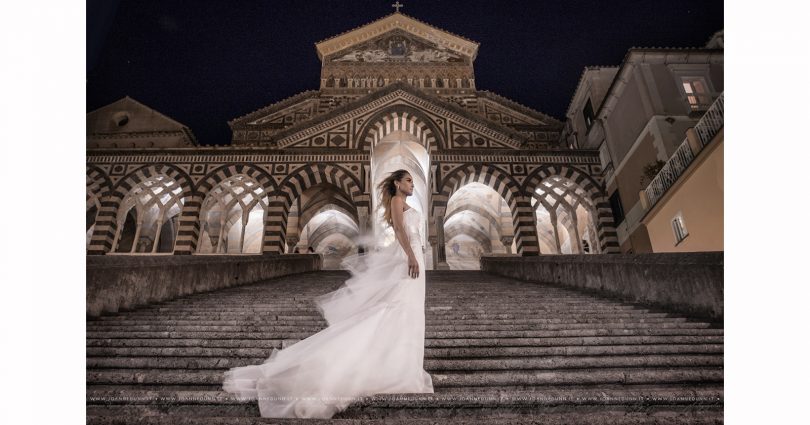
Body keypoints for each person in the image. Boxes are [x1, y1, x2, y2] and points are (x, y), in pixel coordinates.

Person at [223, 169, 433, 418]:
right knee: (399, 309)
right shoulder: (398, 201)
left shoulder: (403, 202)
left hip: (413, 256)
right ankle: (394, 367)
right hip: (409, 258)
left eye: (412, 180)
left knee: (408, 312)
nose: (411, 184)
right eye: (408, 180)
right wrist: (411, 256)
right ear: (397, 184)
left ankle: (404, 366)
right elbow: (399, 231)